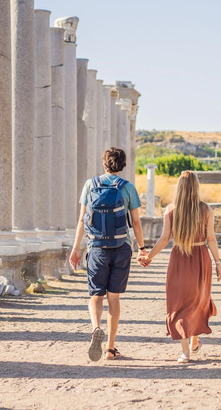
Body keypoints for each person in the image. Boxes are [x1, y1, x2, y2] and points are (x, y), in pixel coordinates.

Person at [70, 148, 147, 361]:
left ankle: (96, 328)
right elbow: (137, 223)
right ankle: (111, 348)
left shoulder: (90, 185)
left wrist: (76, 248)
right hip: (121, 247)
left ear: (104, 163)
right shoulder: (128, 187)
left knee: (96, 295)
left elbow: (81, 220)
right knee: (114, 297)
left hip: (96, 248)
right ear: (122, 165)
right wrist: (142, 248)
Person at [140, 170, 221, 363]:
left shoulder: (170, 210)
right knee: (199, 301)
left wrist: (148, 256)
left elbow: (164, 239)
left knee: (179, 304)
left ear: (180, 187)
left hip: (179, 259)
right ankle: (193, 342)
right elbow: (211, 239)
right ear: (196, 187)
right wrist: (218, 263)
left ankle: (187, 351)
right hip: (201, 258)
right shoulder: (206, 210)